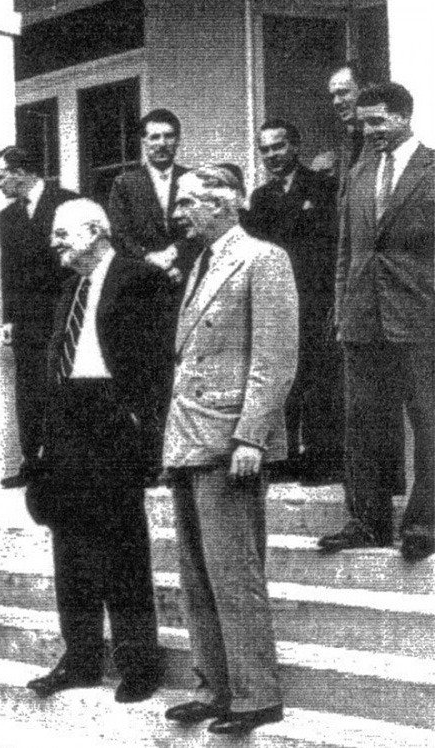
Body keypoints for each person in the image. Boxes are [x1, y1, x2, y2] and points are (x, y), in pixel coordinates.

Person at [163, 165, 298, 736]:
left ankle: (256, 692)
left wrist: (252, 436)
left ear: (225, 204)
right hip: (190, 437)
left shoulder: (263, 258)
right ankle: (214, 685)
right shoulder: (201, 262)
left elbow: (274, 356)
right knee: (196, 574)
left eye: (191, 201)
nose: (180, 212)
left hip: (228, 439)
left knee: (233, 571)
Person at [23, 199, 165, 703]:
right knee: (71, 548)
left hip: (112, 420)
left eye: (63, 233)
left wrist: (141, 427)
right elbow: (54, 364)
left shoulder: (139, 279)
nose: (54, 241)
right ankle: (80, 658)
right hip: (66, 420)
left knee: (121, 547)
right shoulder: (71, 287)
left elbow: (156, 364)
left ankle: (138, 663)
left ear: (96, 232)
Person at [318, 83, 434, 562]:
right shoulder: (360, 172)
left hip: (421, 317)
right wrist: (343, 311)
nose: (368, 130)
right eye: (364, 122)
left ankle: (425, 523)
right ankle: (366, 522)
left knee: (429, 421)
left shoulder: (433, 168)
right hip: (364, 319)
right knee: (362, 423)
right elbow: (348, 251)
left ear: (404, 116)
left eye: (377, 121)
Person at [243, 119, 343, 484]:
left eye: (279, 146)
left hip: (317, 301)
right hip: (278, 304)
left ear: (295, 146)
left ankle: (323, 458)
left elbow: (336, 248)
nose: (272, 155)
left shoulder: (323, 188)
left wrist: (336, 298)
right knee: (284, 380)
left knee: (321, 380)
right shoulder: (261, 199)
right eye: (265, 149)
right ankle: (284, 457)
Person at [0, 145, 77, 488]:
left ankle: (65, 462)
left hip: (64, 312)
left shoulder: (66, 203)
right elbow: (9, 271)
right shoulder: (8, 217)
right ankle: (32, 462)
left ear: (20, 172)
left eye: (1, 177)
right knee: (28, 388)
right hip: (27, 319)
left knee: (62, 385)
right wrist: (8, 318)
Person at [108, 108, 199, 288]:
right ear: (144, 141)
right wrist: (149, 257)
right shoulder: (125, 184)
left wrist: (176, 252)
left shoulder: (193, 179)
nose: (162, 143)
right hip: (142, 279)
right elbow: (119, 233)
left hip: (187, 274)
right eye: (155, 137)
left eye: (169, 136)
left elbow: (201, 225)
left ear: (178, 140)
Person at [310, 63, 365, 195]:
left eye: (343, 92)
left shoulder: (382, 142)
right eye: (333, 96)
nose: (336, 102)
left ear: (364, 91)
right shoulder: (338, 152)